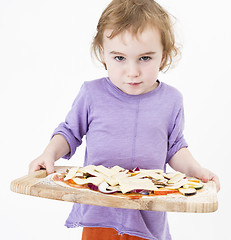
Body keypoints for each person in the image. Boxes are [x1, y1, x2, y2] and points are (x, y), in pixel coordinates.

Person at [29, 0, 220, 239]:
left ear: (164, 55)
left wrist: (197, 170)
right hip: (99, 213)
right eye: (119, 58)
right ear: (102, 53)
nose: (132, 72)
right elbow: (69, 132)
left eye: (145, 58)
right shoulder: (91, 94)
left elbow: (174, 147)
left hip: (149, 215)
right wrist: (49, 154)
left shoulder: (172, 100)